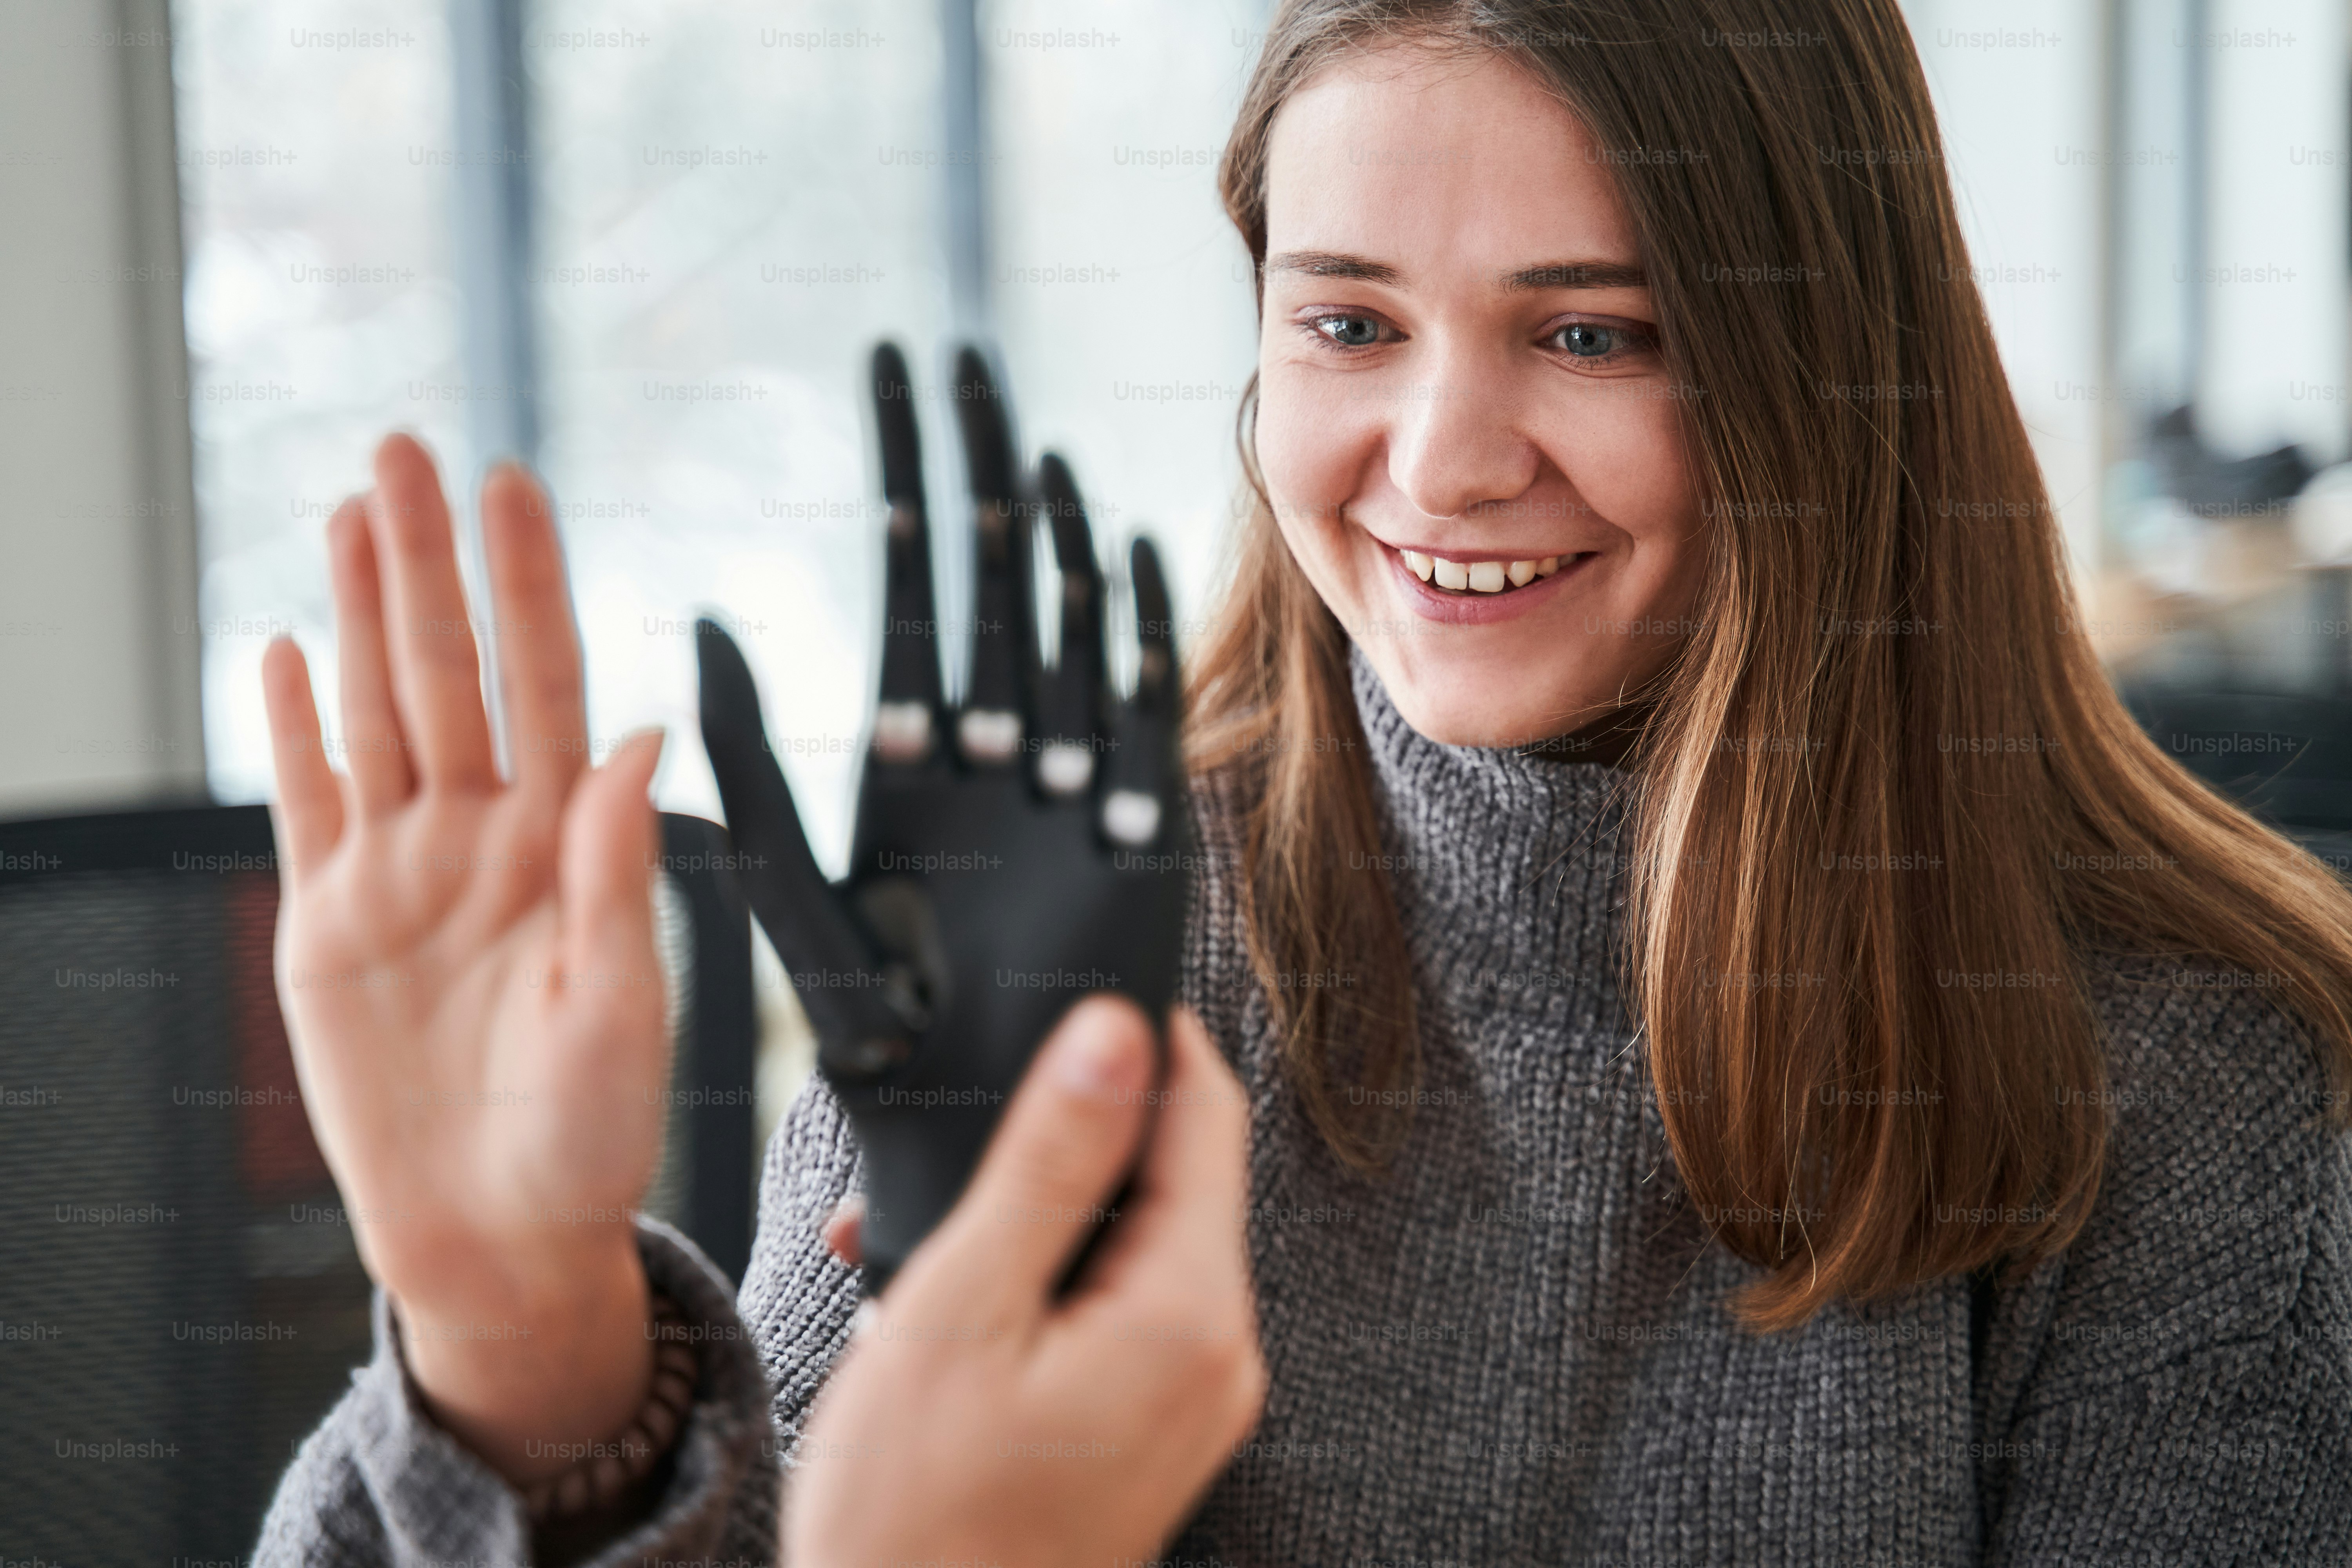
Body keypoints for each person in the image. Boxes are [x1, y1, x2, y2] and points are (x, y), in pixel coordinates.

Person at [259, 0, 2352, 1562]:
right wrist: (519, 1353)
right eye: (1348, 323)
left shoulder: (2187, 1081)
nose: (1442, 459)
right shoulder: (1092, 929)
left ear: (1828, 367)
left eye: (1598, 335)